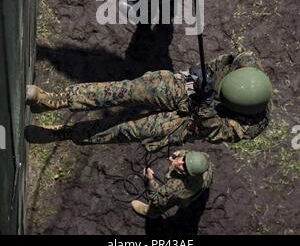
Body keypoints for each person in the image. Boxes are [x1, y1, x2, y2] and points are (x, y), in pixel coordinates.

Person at [25, 51, 272, 150]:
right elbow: (211, 66)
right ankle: (54, 100)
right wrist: (197, 78)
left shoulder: (252, 125)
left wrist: (207, 106)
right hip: (190, 90)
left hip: (191, 121)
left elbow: (213, 131)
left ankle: (63, 133)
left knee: (123, 130)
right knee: (130, 90)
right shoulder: (245, 61)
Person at [131, 150, 213, 218]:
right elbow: (188, 155)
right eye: (184, 158)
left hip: (182, 194)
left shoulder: (176, 186)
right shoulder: (203, 159)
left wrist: (150, 181)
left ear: (187, 173)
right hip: (201, 184)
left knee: (163, 204)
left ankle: (152, 213)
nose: (180, 162)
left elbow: (157, 200)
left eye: (184, 166)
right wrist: (179, 153)